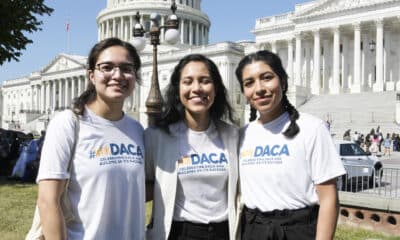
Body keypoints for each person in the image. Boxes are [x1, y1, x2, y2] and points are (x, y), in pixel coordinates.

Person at [36, 38, 145, 240]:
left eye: (126, 68)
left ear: (135, 76)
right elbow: (48, 201)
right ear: (92, 76)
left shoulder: (137, 129)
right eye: (107, 67)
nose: (117, 75)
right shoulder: (68, 124)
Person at [235, 50, 346, 240]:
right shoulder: (241, 135)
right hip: (254, 231)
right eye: (249, 83)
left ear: (283, 81)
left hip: (298, 230)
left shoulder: (312, 128)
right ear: (245, 92)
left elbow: (329, 199)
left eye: (267, 78)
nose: (259, 88)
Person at [145, 54, 239, 240]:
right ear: (178, 89)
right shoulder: (156, 137)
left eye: (205, 81)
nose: (196, 88)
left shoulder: (232, 135)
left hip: (224, 231)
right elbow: (144, 184)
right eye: (188, 82)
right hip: (180, 232)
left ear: (216, 88)